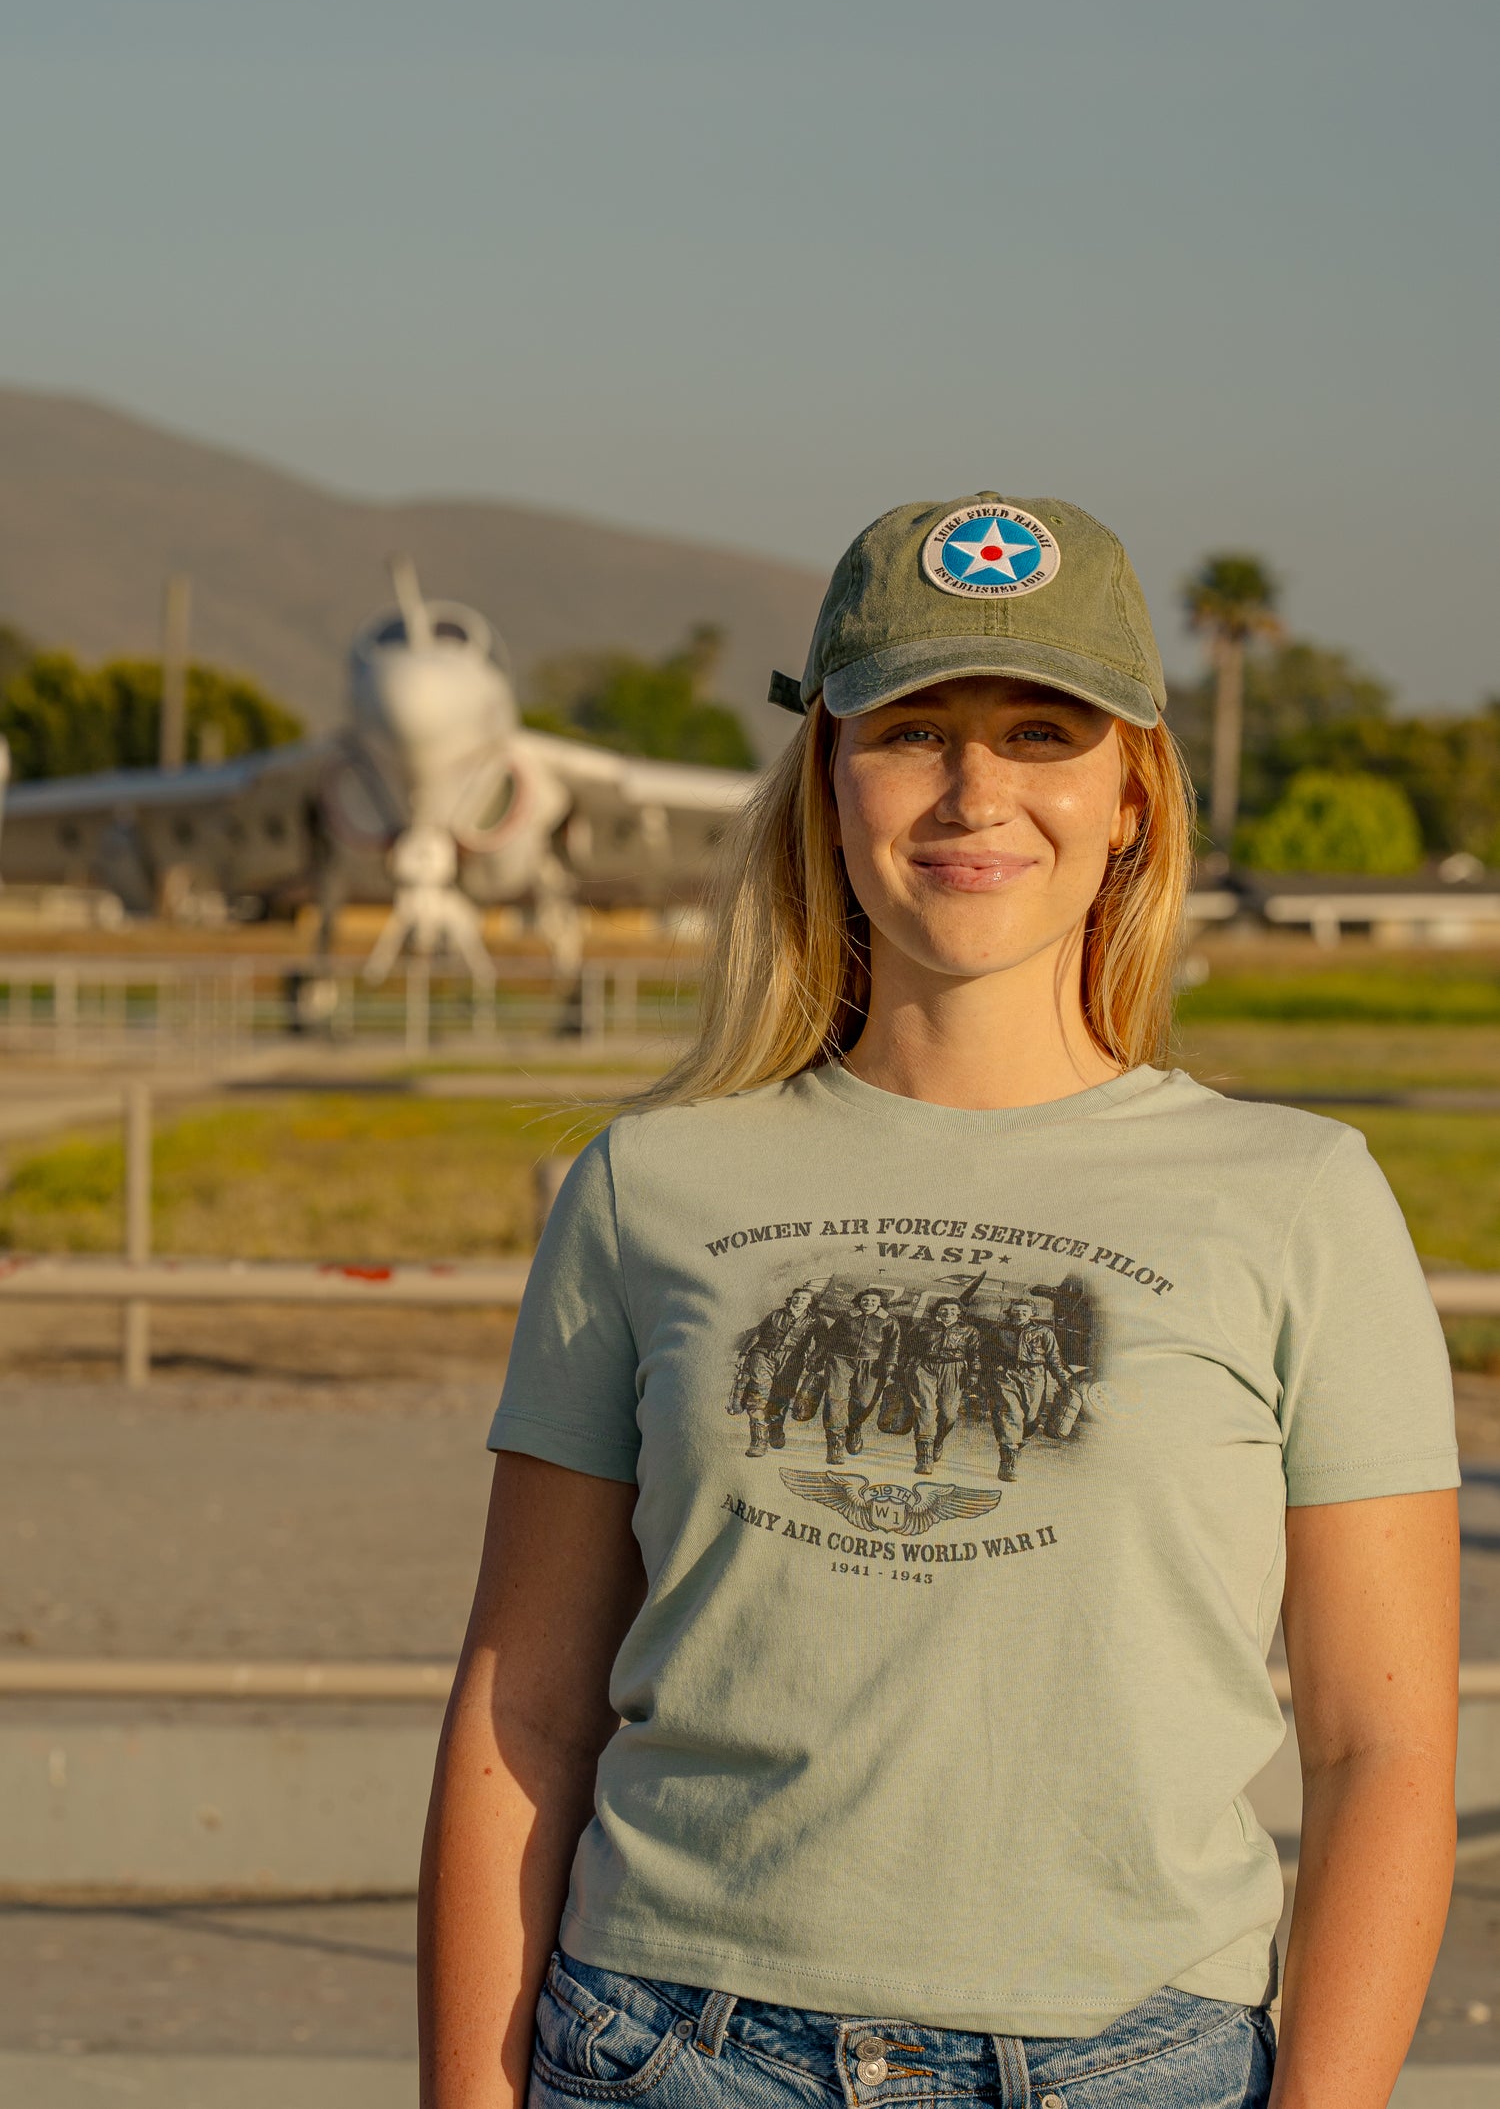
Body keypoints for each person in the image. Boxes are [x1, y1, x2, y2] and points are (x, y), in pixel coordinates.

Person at [420, 494, 1460, 2109]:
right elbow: (523, 1712)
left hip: (1144, 2063)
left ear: (1132, 796)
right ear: (828, 779)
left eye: (1042, 730)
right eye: (913, 728)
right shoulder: (649, 1189)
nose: (976, 791)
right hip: (677, 2057)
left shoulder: (1300, 1201)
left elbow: (1379, 1750)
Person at [734, 1283, 820, 1455]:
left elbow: (823, 1342)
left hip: (792, 1360)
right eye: (797, 1297)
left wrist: (815, 1359)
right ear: (791, 1299)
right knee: (758, 1394)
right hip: (763, 1355)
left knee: (781, 1395)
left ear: (810, 1302)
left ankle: (775, 1429)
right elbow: (758, 1333)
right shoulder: (776, 1314)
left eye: (804, 1298)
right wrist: (744, 1353)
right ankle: (758, 1441)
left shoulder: (816, 1320)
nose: (799, 1301)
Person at [986, 1295, 1067, 1480]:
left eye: (1024, 1311)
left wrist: (1062, 1380)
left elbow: (1054, 1358)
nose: (1020, 1314)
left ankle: (1015, 1447)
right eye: (1016, 1311)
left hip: (1034, 1376)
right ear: (1010, 1312)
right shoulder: (998, 1330)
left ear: (1032, 1314)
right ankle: (1007, 1461)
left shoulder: (1044, 1332)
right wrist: (993, 1367)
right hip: (1007, 1374)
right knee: (1010, 1414)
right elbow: (985, 1351)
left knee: (1031, 1418)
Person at [819, 1286, 902, 1461]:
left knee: (864, 1402)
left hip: (872, 1363)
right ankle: (835, 1444)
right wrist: (818, 1356)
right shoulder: (847, 1317)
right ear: (859, 1301)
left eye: (873, 1300)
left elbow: (894, 1345)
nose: (868, 1303)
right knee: (835, 1399)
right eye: (865, 1299)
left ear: (880, 1303)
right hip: (841, 1359)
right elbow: (830, 1337)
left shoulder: (889, 1321)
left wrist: (891, 1364)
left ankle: (854, 1427)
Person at [908, 1295, 982, 1474]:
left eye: (952, 1310)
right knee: (925, 1409)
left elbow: (975, 1354)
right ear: (937, 1311)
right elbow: (909, 1348)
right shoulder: (923, 1328)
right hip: (926, 1367)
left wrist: (974, 1373)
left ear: (959, 1312)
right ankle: (924, 1457)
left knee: (949, 1414)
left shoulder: (969, 1331)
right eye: (944, 1310)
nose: (948, 1313)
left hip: (953, 1369)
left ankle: (938, 1440)